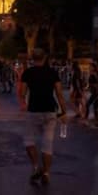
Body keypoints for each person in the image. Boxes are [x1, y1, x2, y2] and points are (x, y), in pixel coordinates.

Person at [19, 48, 67, 185]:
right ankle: (46, 172)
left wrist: (25, 99)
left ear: (33, 59)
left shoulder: (28, 73)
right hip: (50, 110)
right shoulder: (52, 72)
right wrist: (64, 112)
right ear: (45, 57)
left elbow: (22, 93)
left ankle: (35, 167)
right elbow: (59, 93)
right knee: (47, 144)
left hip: (33, 110)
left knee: (29, 141)